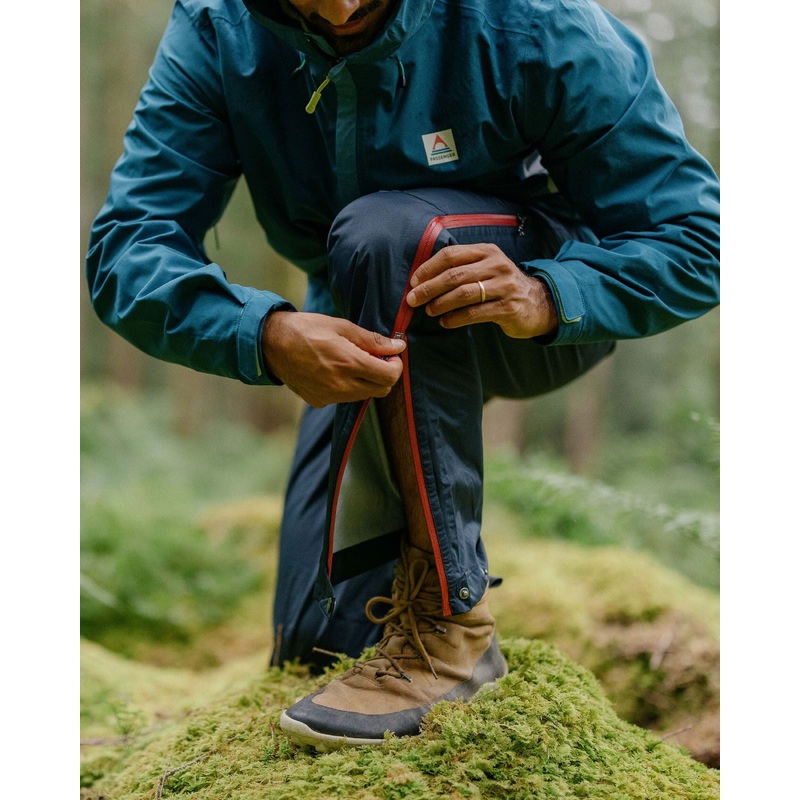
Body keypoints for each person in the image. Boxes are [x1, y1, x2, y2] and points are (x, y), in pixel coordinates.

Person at [85, 0, 720, 751]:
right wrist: (267, 334)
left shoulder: (538, 23)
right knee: (319, 645)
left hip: (538, 309)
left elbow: (698, 239)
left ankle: (454, 625)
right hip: (356, 316)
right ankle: (386, 632)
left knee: (394, 234)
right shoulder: (218, 28)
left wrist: (547, 294)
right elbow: (128, 247)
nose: (342, 7)